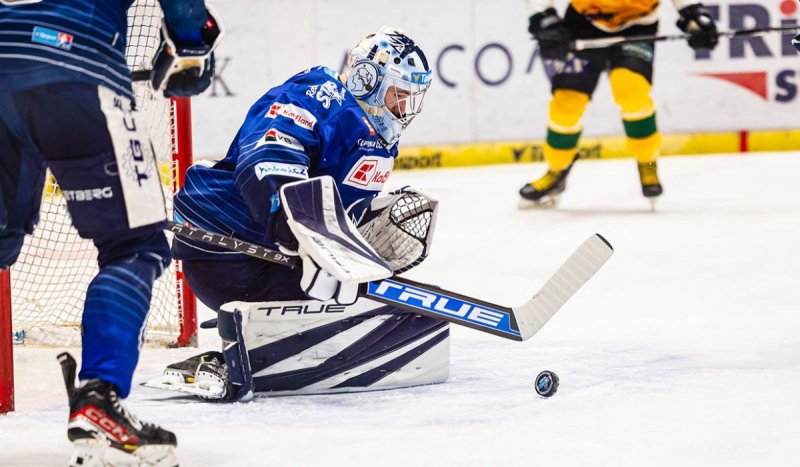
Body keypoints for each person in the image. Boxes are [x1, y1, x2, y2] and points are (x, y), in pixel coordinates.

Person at [151, 26, 448, 401]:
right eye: (397, 96)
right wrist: (290, 224)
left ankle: (263, 331)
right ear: (366, 79)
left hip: (276, 261)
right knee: (350, 301)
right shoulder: (317, 97)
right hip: (228, 251)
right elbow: (271, 153)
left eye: (410, 99)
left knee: (368, 303)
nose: (403, 110)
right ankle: (255, 335)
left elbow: (333, 202)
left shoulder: (378, 139)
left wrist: (359, 234)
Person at [0, 1, 222, 465]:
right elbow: (189, 24)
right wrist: (192, 46)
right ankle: (99, 396)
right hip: (77, 65)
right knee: (134, 245)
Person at [519, 0, 719, 208]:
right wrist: (544, 18)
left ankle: (647, 162)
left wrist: (693, 14)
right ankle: (556, 170)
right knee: (566, 104)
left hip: (637, 25)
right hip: (584, 22)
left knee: (631, 92)